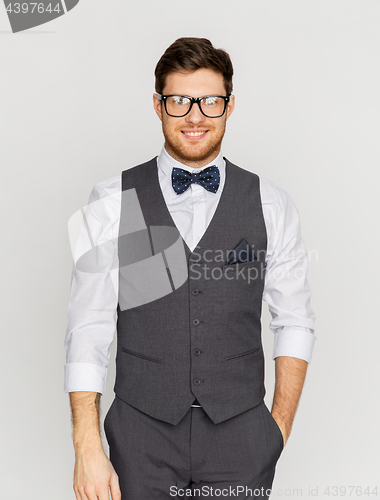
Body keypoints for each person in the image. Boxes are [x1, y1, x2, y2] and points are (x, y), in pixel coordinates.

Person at [64, 37, 316, 500]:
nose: (195, 115)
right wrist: (86, 446)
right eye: (180, 100)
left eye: (210, 101)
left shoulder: (270, 204)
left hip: (242, 435)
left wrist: (275, 431)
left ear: (229, 105)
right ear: (158, 106)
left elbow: (295, 321)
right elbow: (88, 326)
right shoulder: (109, 201)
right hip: (139, 435)